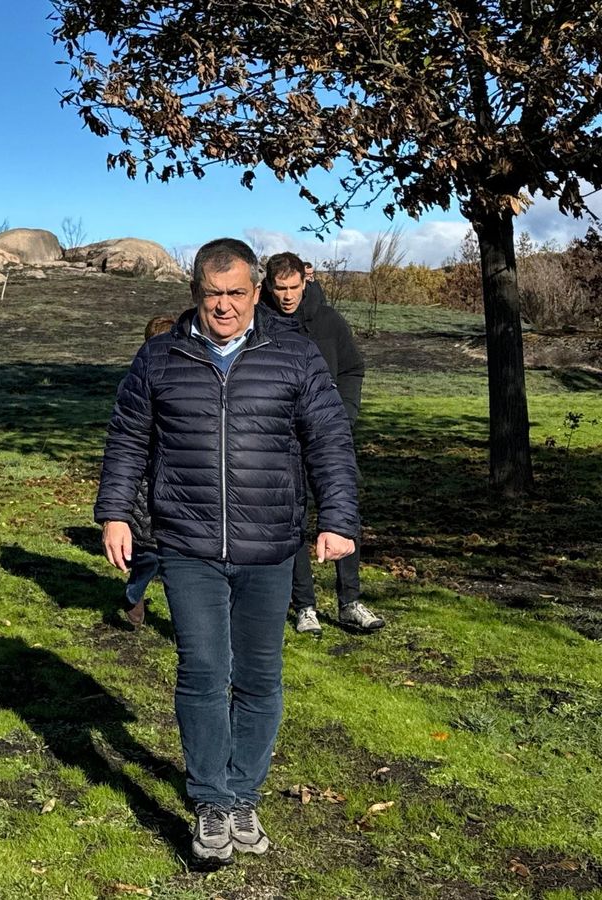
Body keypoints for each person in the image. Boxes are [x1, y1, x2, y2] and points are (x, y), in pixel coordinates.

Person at [96, 239, 358, 863]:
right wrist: (114, 512)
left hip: (270, 544)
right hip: (187, 544)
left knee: (261, 678)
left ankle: (244, 794)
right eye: (213, 294)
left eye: (237, 293)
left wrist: (339, 517)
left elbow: (329, 440)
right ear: (195, 294)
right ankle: (211, 801)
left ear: (256, 291)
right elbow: (128, 438)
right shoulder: (160, 357)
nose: (225, 306)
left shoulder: (295, 355)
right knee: (205, 673)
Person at [260, 252, 383, 636]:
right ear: (268, 286)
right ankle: (305, 606)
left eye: (294, 287)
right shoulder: (261, 324)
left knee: (342, 512)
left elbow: (352, 368)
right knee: (294, 517)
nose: (287, 296)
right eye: (279, 288)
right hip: (283, 438)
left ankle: (350, 601)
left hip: (328, 433)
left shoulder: (329, 321)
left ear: (306, 282)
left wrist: (344, 414)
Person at [123, 313, 178, 628]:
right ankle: (134, 592)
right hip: (146, 481)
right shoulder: (137, 382)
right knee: (149, 553)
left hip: (182, 480)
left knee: (178, 559)